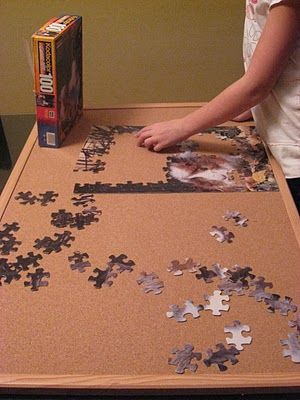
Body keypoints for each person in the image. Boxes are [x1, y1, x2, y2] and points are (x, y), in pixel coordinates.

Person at [135, 0, 300, 212]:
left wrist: (183, 126)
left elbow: (256, 85)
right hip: (278, 140)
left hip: (294, 155)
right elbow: (280, 63)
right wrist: (261, 103)